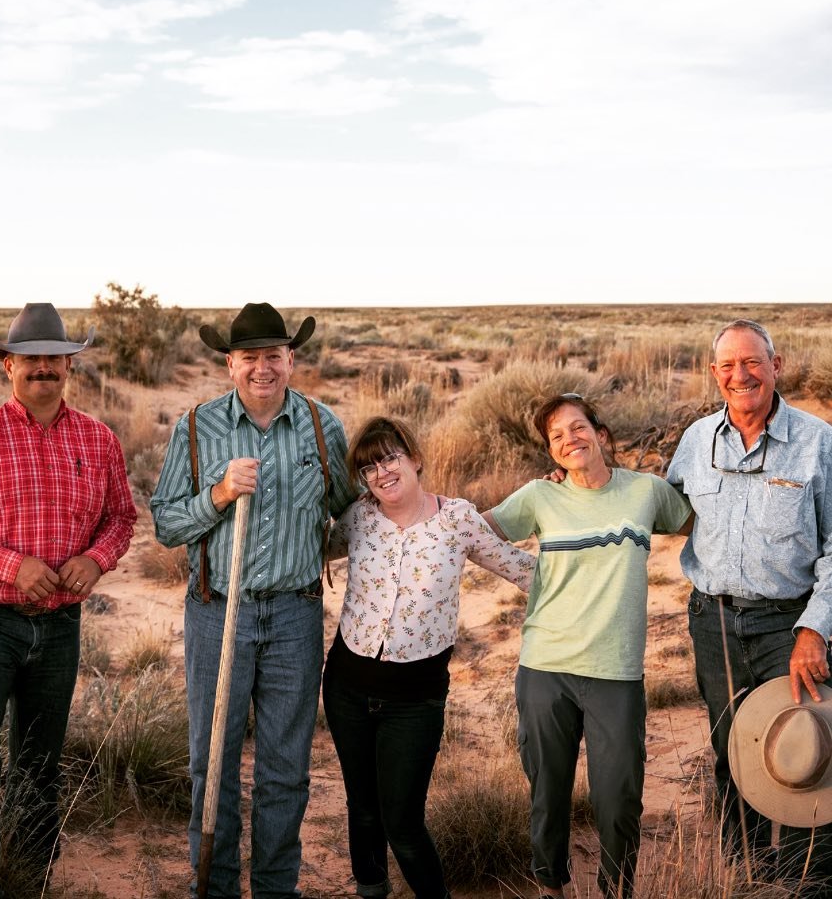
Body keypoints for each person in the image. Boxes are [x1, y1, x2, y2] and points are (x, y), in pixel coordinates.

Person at [0, 303, 136, 899]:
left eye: (55, 358)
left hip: (60, 625)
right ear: (7, 366)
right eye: (31, 359)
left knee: (40, 767)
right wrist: (10, 565)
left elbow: (122, 516)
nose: (44, 368)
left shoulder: (98, 439)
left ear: (69, 365)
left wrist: (96, 559)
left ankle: (29, 881)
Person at [151, 301, 356, 899]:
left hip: (295, 612)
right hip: (219, 610)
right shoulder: (196, 428)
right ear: (230, 365)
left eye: (274, 356)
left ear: (291, 359)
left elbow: (351, 515)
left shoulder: (323, 426)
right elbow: (165, 524)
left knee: (285, 769)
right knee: (210, 761)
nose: (262, 368)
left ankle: (274, 888)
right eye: (249, 358)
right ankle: (213, 887)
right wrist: (217, 494)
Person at [484, 394, 691, 899]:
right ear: (551, 452)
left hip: (615, 670)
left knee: (619, 797)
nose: (569, 439)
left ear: (601, 434)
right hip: (546, 666)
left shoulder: (647, 492)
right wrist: (520, 573)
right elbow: (473, 531)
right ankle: (550, 886)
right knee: (548, 794)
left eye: (577, 428)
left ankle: (616, 888)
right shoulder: (538, 495)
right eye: (556, 436)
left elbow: (697, 523)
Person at [323, 415, 535, 899]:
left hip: (414, 700)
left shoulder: (456, 519)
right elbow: (308, 552)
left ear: (415, 459)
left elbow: (521, 569)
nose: (382, 472)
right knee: (362, 806)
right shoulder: (358, 518)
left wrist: (596, 561)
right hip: (346, 686)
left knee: (402, 821)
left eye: (390, 457)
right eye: (369, 467)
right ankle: (371, 889)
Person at [667, 318, 832, 884]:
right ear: (715, 375)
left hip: (791, 626)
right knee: (733, 752)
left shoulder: (817, 441)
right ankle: (748, 877)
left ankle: (809, 881)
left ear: (776, 366)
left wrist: (815, 630)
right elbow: (664, 508)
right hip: (712, 622)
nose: (742, 375)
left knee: (809, 747)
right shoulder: (695, 442)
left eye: (753, 362)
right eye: (729, 365)